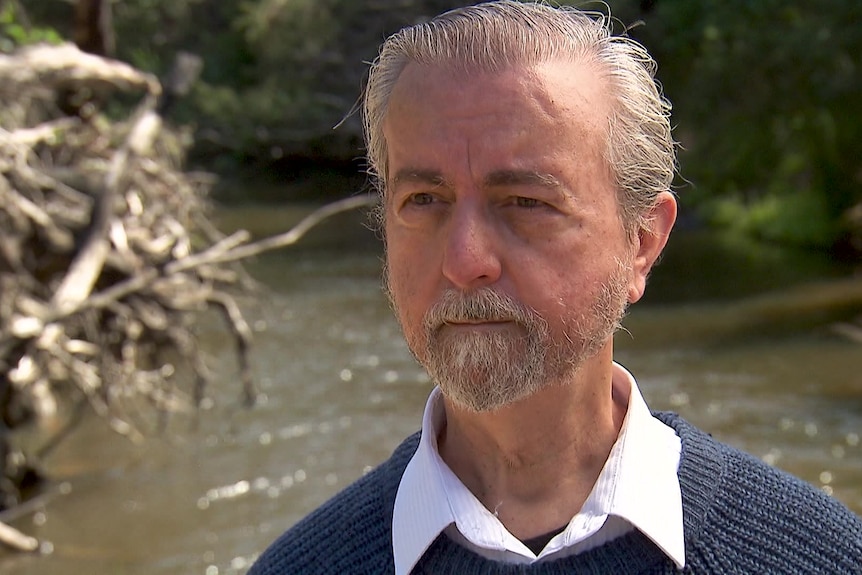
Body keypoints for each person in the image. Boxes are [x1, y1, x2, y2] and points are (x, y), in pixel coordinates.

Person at [249, 2, 862, 573]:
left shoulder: (821, 557)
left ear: (641, 242)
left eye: (524, 202)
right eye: (425, 200)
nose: (465, 261)